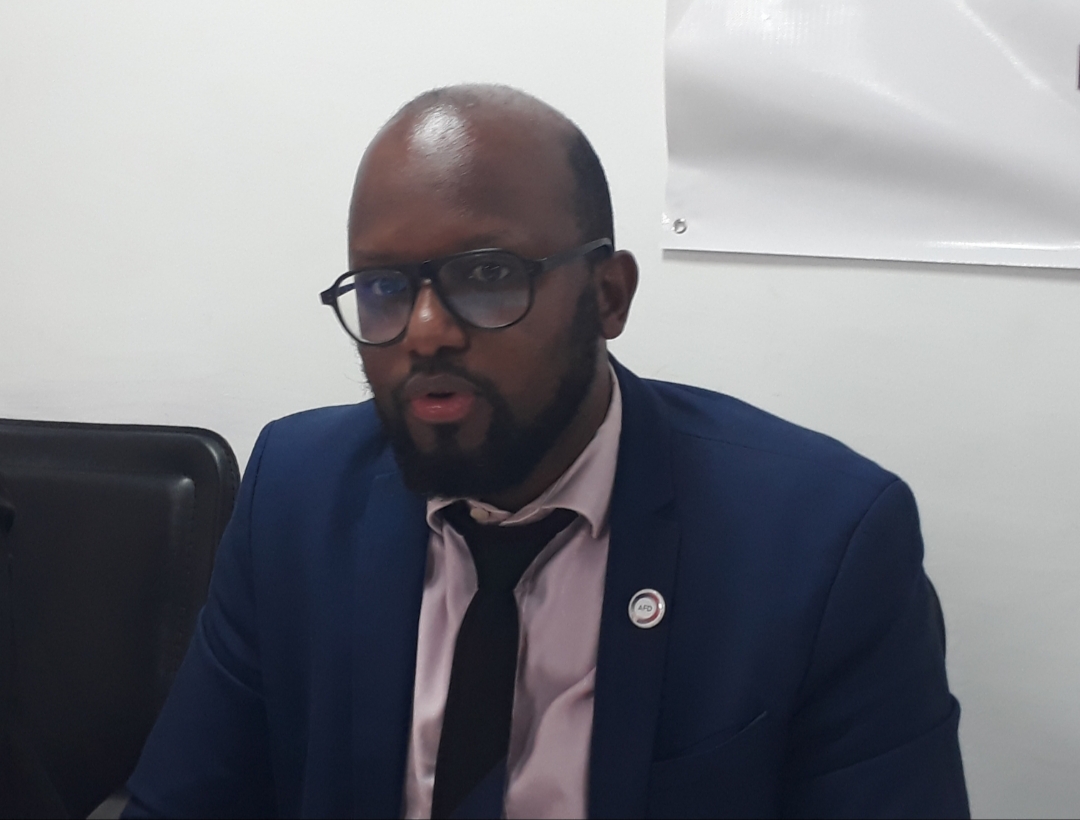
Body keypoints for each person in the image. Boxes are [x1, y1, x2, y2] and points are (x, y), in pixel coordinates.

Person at [124, 85, 969, 819]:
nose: (426, 330)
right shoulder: (296, 494)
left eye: (487, 275)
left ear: (608, 296)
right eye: (384, 287)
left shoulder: (820, 543)